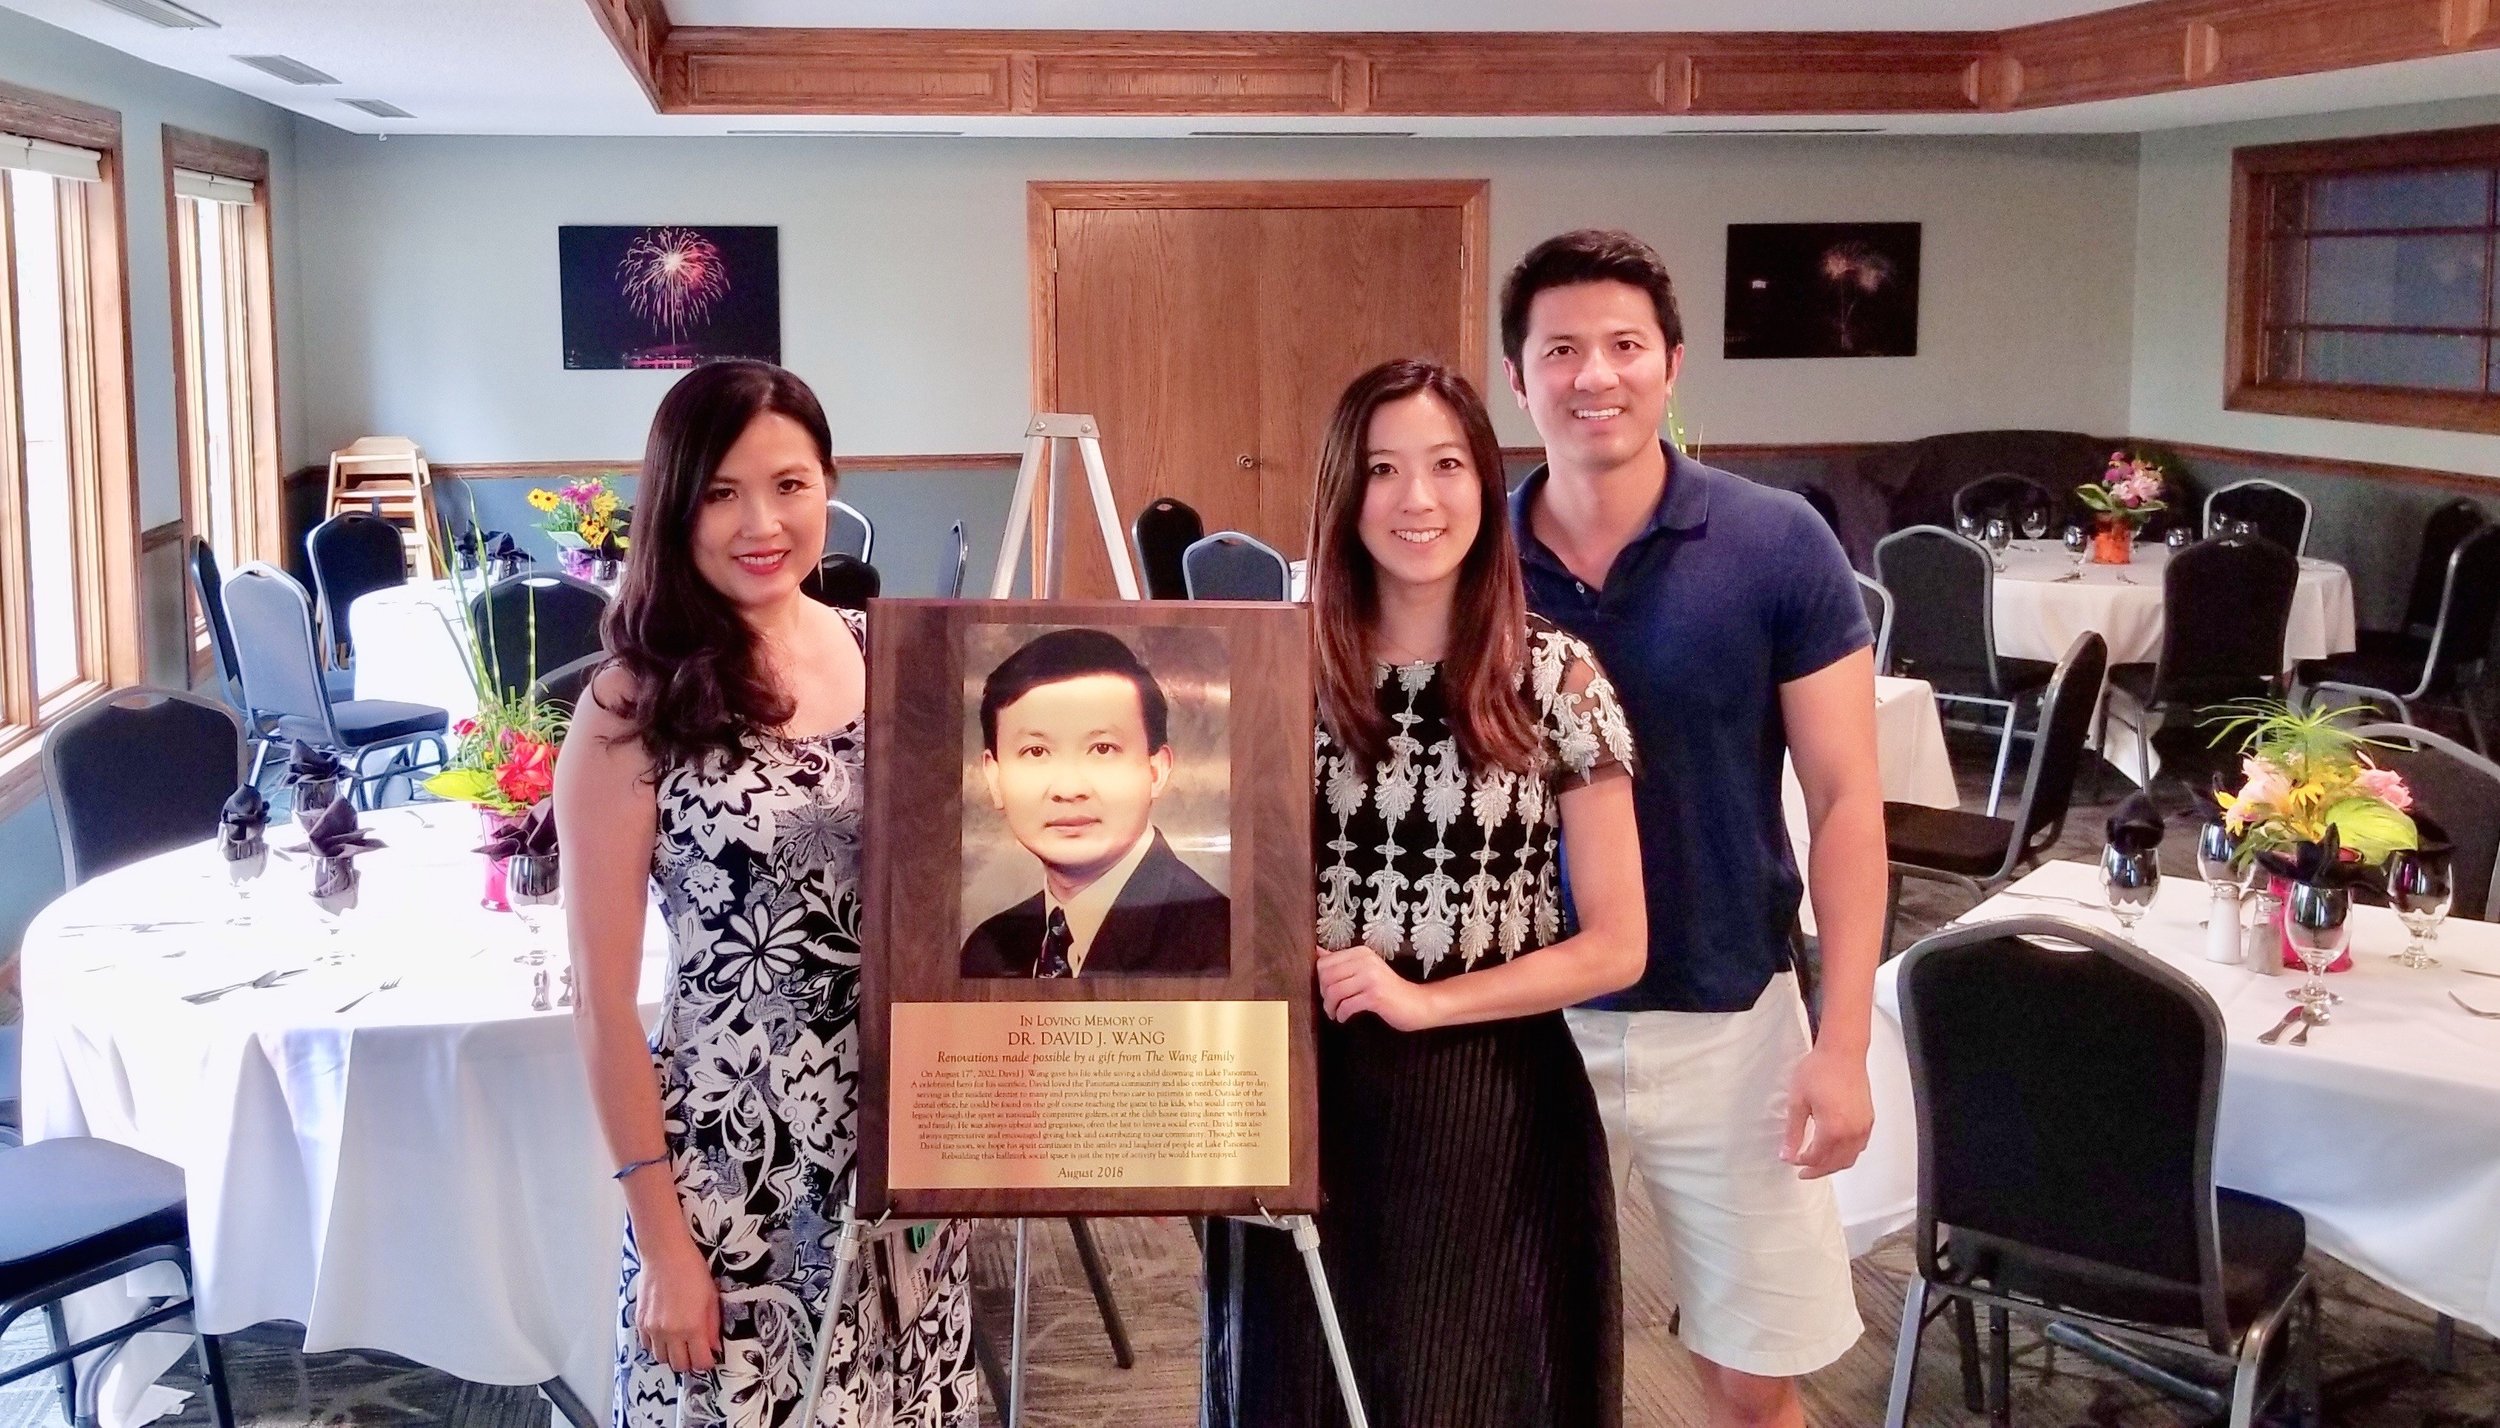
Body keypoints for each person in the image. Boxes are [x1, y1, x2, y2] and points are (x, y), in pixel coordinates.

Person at [1201, 358, 1648, 1428]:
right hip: (1300, 1093)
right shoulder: (1278, 667)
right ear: (1341, 495)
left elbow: (1618, 945)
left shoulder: (1555, 675)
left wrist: (1426, 998)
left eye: (1447, 466)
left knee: (1468, 1383)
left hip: (1488, 1097)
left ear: (1483, 483)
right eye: (1383, 470)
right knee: (1289, 1384)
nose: (1417, 499)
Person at [1502, 229, 1886, 1428]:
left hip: (1727, 1012)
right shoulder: (1464, 558)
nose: (1593, 375)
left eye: (1623, 345)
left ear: (1671, 364)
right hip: (1515, 1019)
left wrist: (1843, 1041)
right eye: (1559, 349)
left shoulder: (1777, 542)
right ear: (1518, 378)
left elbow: (1843, 803)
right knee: (1503, 1358)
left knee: (1752, 1375)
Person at [558, 360, 975, 1428]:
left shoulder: (891, 655)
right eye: (721, 492)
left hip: (898, 1152)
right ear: (674, 502)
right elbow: (601, 1003)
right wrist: (661, 1241)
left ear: (829, 485)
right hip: (734, 1170)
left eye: (789, 485)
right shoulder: (631, 702)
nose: (762, 522)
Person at [959, 626, 1230, 978]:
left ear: (1157, 770)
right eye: (1036, 751)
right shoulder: (988, 951)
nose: (1069, 788)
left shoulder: (1221, 946)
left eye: (1102, 749)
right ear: (994, 778)